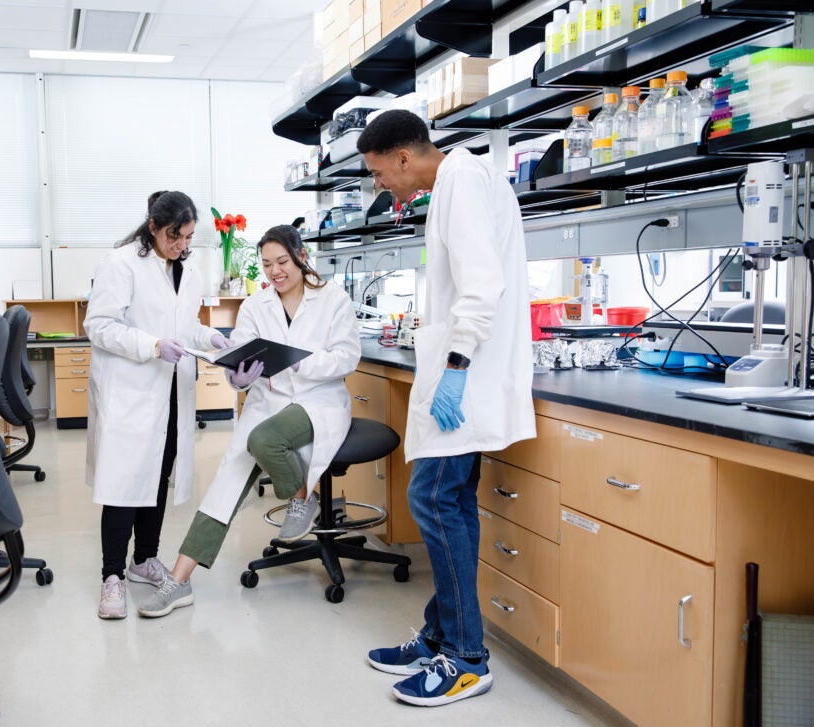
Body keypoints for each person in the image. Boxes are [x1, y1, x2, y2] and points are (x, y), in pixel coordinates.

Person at [356, 110, 536, 706]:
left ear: (404, 159)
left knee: (432, 499)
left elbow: (483, 286)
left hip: (467, 376)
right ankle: (440, 635)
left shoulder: (460, 180)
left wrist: (456, 369)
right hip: (464, 374)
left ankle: (466, 658)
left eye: (380, 174)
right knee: (447, 499)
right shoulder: (461, 179)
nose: (381, 186)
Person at [136, 224, 361, 618]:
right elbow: (242, 355)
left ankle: (299, 496)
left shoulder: (333, 299)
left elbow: (347, 357)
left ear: (301, 257)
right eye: (267, 264)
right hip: (268, 400)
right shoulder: (256, 306)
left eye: (282, 262)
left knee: (264, 438)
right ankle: (179, 580)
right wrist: (238, 378)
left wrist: (298, 357)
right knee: (224, 485)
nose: (275, 271)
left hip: (318, 402)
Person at [85, 190, 230, 620]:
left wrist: (210, 338)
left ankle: (144, 558)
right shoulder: (121, 263)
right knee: (123, 481)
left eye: (187, 237)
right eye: (174, 236)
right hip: (131, 389)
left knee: (159, 474)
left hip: (171, 391)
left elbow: (185, 325)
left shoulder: (186, 270)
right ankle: (112, 577)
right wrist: (151, 345)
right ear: (153, 226)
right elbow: (100, 326)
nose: (182, 245)